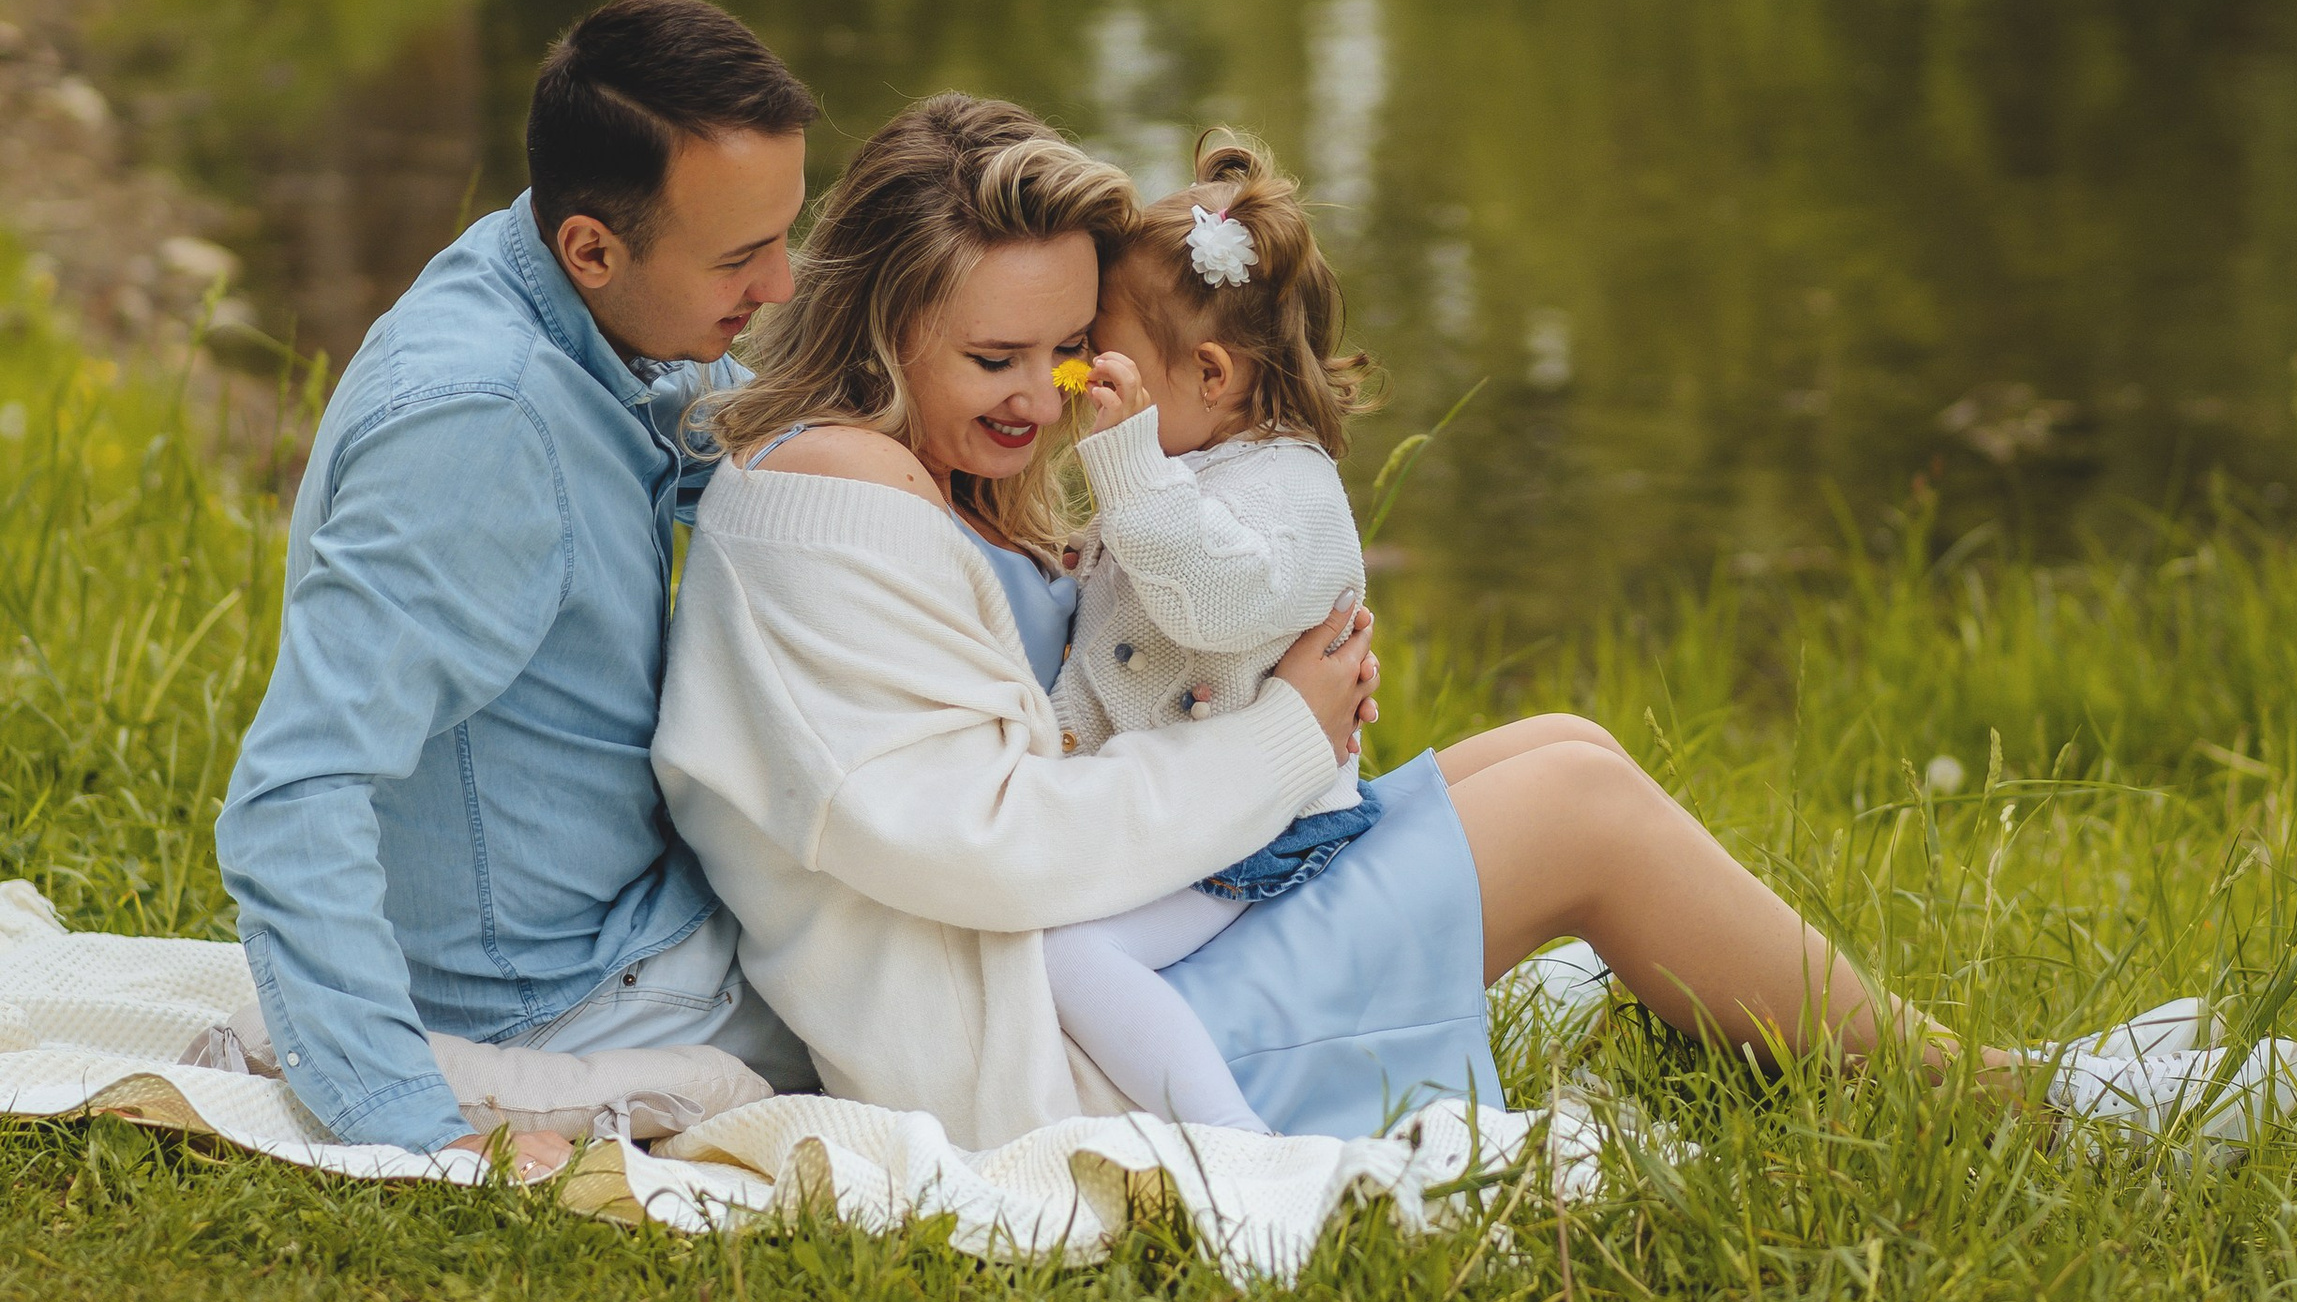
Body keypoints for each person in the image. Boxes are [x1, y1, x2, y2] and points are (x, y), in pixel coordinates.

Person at [655, 91, 2036, 1150]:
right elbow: (981, 841)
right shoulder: (828, 503)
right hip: (1052, 1051)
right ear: (880, 324)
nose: (1043, 398)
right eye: (992, 359)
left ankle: (1818, 1047)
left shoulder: (932, 473)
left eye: (1065, 352)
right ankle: (1967, 1096)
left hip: (1109, 956)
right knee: (1575, 813)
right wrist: (1282, 740)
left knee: (1561, 743)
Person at [215, 0, 818, 1176]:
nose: (783, 286)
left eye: (783, 238)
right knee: (968, 968)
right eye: (743, 259)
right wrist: (410, 1124)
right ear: (593, 245)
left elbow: (729, 440)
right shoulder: (480, 428)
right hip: (563, 992)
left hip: (634, 904)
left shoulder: (557, 277)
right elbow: (294, 794)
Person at [1039, 134, 1382, 1137]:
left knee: (1066, 953)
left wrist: (1123, 458)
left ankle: (1231, 1138)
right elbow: (1129, 614)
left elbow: (1211, 604)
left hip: (1257, 828)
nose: (1075, 374)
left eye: (1097, 355)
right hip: (1191, 809)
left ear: (1213, 373)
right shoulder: (1188, 465)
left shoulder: (1291, 489)